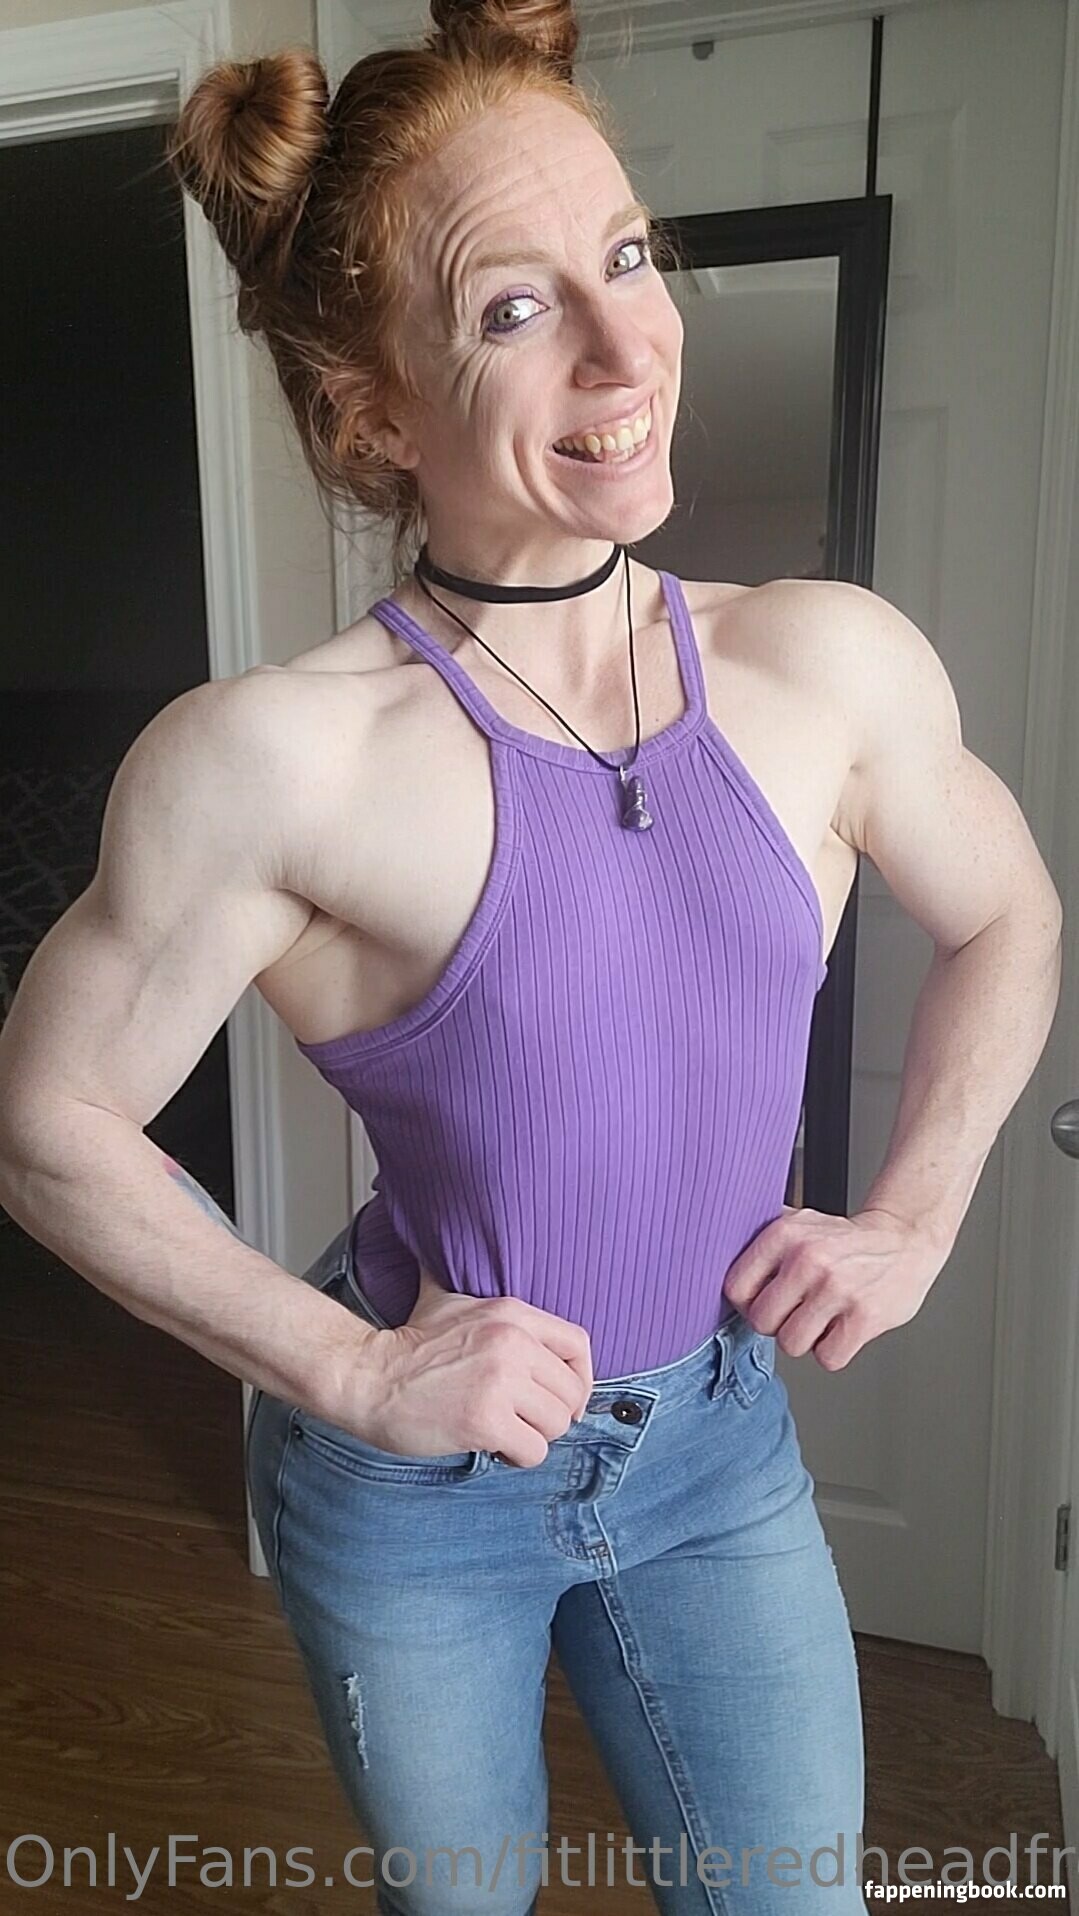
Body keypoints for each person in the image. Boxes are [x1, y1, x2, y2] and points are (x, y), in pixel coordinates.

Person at [0, 3, 1063, 1912]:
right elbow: (46, 1125)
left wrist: (914, 1217)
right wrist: (348, 1369)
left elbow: (1009, 913)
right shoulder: (279, 765)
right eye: (514, 307)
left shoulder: (828, 666)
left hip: (717, 1450)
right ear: (375, 411)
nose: (627, 346)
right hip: (413, 1497)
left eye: (629, 257)